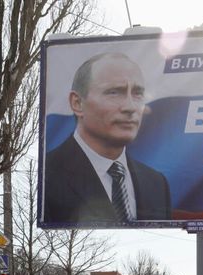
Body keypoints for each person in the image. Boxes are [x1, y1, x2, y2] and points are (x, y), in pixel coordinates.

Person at [43, 52, 171, 224]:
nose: (130, 107)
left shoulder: (156, 184)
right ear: (77, 103)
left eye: (137, 94)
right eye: (114, 92)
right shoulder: (48, 177)